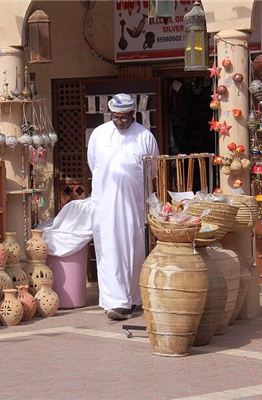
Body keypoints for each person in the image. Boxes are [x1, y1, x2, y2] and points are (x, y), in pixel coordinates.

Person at [87, 93, 159, 321]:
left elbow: (152, 170)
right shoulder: (99, 134)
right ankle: (115, 303)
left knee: (134, 251)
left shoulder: (144, 136)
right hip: (106, 205)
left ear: (133, 114)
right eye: (115, 117)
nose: (119, 121)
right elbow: (93, 165)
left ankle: (134, 299)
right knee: (109, 250)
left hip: (133, 206)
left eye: (124, 117)